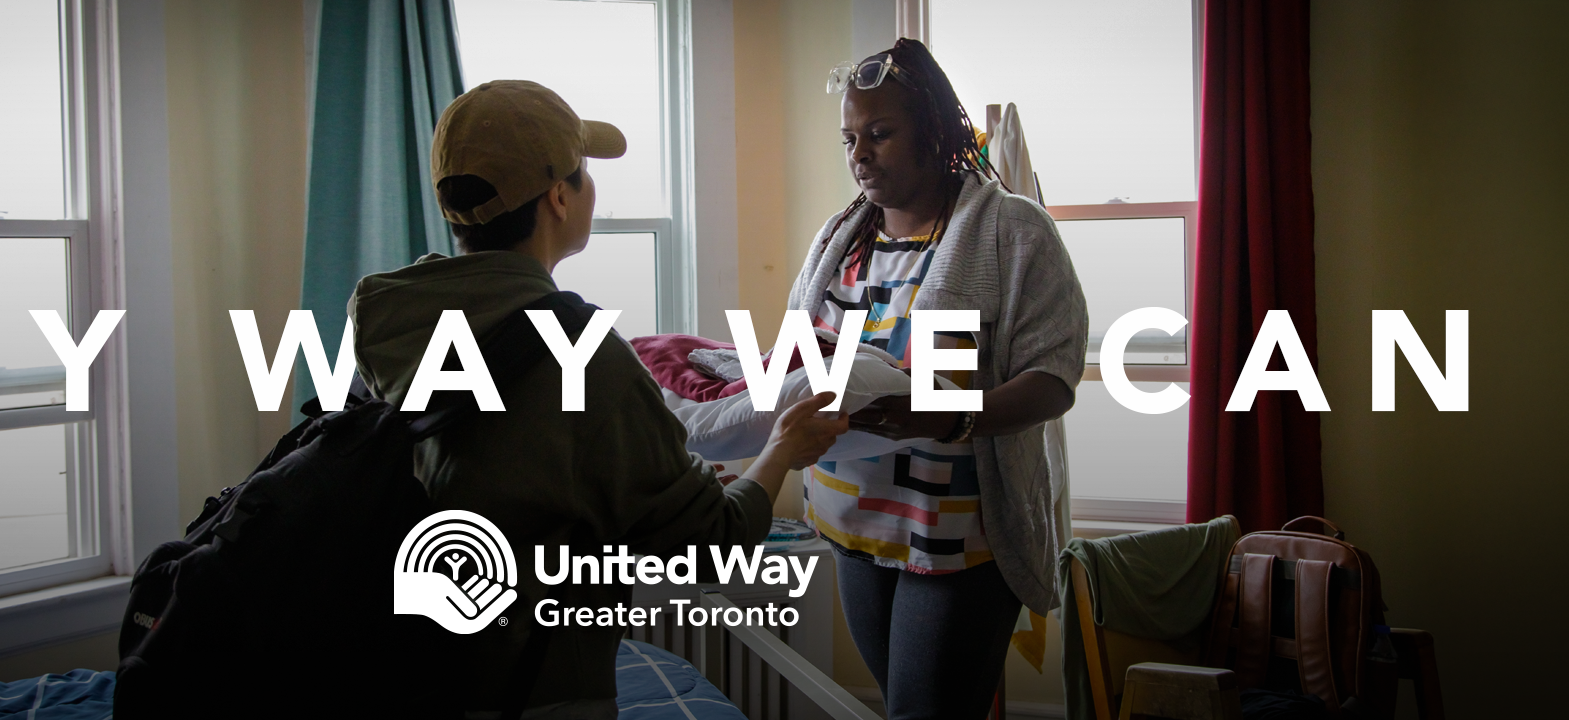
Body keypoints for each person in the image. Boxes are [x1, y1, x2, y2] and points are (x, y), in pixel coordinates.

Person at [347, 79, 852, 720]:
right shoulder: (583, 355)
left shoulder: (387, 323)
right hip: (539, 690)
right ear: (559, 197)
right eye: (584, 174)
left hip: (414, 675)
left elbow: (491, 479)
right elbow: (710, 543)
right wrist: (780, 451)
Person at [793, 40, 1088, 720]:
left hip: (956, 542)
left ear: (932, 130)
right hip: (853, 527)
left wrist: (948, 417)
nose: (859, 154)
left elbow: (1052, 377)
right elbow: (802, 359)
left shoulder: (1010, 231)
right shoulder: (838, 239)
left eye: (879, 134)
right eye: (848, 139)